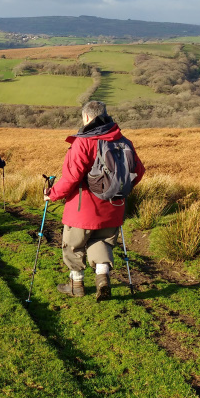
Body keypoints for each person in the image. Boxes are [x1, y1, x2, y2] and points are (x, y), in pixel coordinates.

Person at [44, 101, 146, 301]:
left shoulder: (83, 142)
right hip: (114, 208)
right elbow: (138, 172)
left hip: (83, 208)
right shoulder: (123, 141)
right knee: (103, 243)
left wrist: (52, 194)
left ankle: (76, 285)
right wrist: (119, 189)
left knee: (74, 245)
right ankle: (102, 280)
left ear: (87, 118)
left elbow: (72, 177)